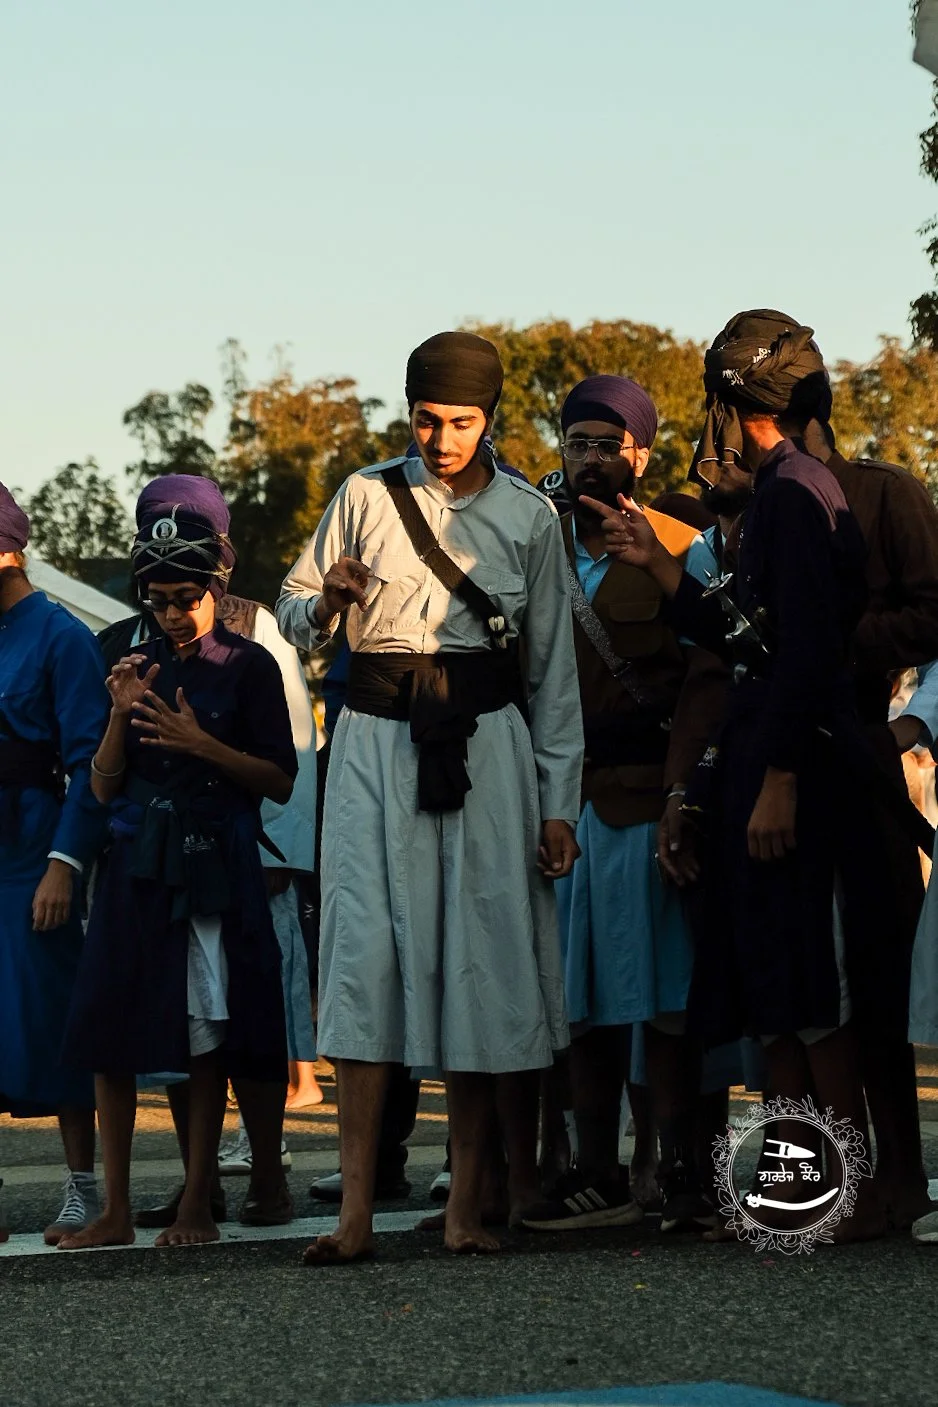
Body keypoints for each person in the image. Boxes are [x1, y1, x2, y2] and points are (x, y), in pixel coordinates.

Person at [277, 330, 583, 1261]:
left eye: (460, 420)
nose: (442, 437)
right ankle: (355, 1214)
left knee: (484, 959)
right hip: (373, 744)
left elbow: (553, 674)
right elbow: (291, 618)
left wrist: (557, 801)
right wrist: (327, 598)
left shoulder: (531, 516)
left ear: (489, 419)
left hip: (487, 748)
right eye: (426, 419)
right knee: (364, 955)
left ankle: (462, 1211)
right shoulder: (365, 495)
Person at [584, 310, 887, 1240]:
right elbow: (751, 638)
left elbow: (805, 658)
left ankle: (854, 1194)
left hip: (797, 765)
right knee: (778, 1001)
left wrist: (781, 777)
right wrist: (668, 577)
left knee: (815, 999)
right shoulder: (779, 492)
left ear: (730, 400)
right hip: (761, 756)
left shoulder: (796, 493)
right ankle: (804, 1193)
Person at [58, 482, 297, 1249]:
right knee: (108, 1025)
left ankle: (199, 1199)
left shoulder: (249, 663)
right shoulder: (120, 655)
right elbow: (99, 784)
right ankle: (116, 1208)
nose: (169, 612)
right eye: (157, 597)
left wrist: (204, 747)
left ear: (214, 588)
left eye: (185, 596)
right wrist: (121, 716)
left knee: (206, 1032)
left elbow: (279, 777)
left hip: (211, 861)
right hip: (133, 857)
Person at [520, 377, 727, 1236]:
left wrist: (686, 791)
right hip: (564, 806)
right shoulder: (534, 544)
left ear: (643, 452)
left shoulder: (685, 545)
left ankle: (687, 1169)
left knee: (670, 1000)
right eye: (580, 443)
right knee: (577, 1003)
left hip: (650, 799)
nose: (595, 458)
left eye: (613, 443)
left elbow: (709, 678)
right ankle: (593, 1170)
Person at [0, 483, 109, 1244]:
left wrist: (64, 863)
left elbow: (90, 764)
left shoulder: (60, 635)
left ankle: (82, 1183)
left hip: (33, 852)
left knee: (58, 1018)